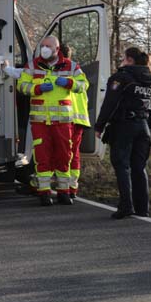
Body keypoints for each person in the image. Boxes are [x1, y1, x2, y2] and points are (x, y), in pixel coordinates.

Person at [14, 34, 88, 206]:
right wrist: (37, 88)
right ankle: (44, 192)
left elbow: (83, 85)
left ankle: (63, 192)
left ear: (56, 49)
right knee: (42, 156)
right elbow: (21, 85)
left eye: (48, 46)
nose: (44, 49)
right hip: (40, 121)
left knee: (64, 156)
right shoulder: (32, 66)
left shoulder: (71, 66)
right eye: (42, 46)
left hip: (63, 122)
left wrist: (69, 83)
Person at [95, 46, 151, 219]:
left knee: (122, 165)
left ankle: (126, 206)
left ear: (129, 60)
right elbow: (150, 107)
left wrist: (99, 126)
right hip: (143, 126)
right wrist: (148, 127)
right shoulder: (149, 80)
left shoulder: (121, 78)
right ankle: (142, 208)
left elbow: (110, 103)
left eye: (123, 58)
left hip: (124, 126)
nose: (121, 61)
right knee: (139, 167)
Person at [59, 44, 91, 197]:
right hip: (80, 119)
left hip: (67, 118)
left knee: (64, 153)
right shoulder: (78, 72)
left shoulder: (62, 72)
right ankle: (72, 187)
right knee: (74, 153)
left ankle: (64, 186)